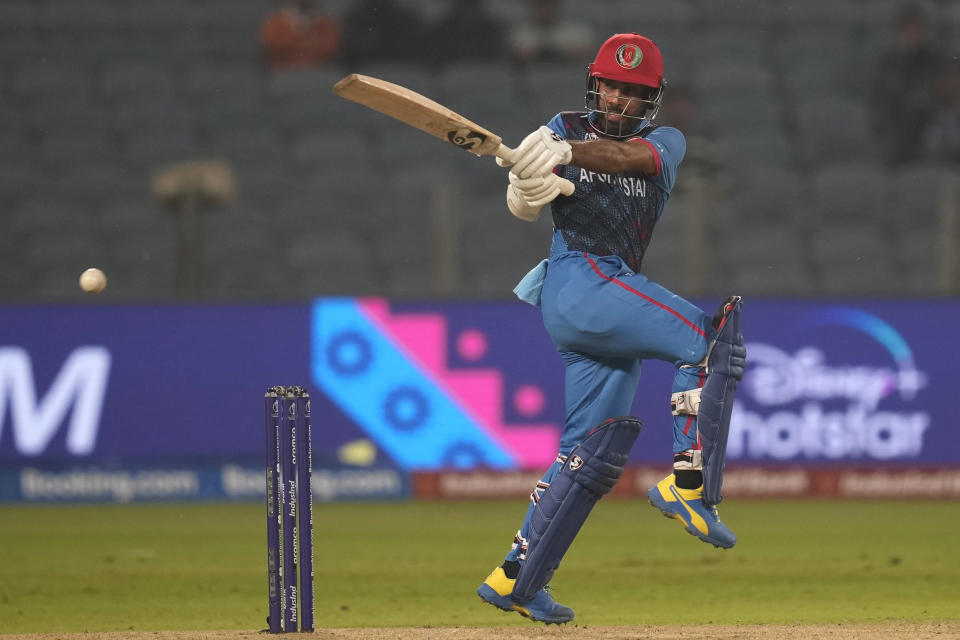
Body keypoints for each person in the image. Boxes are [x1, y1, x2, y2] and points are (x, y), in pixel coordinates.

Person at [476, 33, 747, 624]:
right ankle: (690, 484)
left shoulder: (664, 142)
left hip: (598, 297)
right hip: (579, 278)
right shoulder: (562, 124)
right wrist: (527, 183)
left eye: (635, 93)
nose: (620, 101)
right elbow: (524, 204)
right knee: (711, 342)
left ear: (651, 101)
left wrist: (564, 156)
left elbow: (629, 162)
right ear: (595, 84)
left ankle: (516, 578)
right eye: (613, 87)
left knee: (589, 457)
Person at [870, 2, 945, 165]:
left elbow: (939, 92)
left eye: (916, 29)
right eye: (907, 30)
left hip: (928, 121)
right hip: (897, 121)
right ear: (899, 32)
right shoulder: (888, 61)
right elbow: (882, 94)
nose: (913, 35)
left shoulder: (934, 60)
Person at [259, 0, 341, 72]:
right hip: (284, 71)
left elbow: (331, 48)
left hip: (317, 72)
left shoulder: (326, 24)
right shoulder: (277, 21)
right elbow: (271, 45)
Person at [340, 0, 424, 68]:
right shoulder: (358, 17)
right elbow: (352, 49)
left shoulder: (407, 18)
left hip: (403, 67)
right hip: (367, 67)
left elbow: (413, 48)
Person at [421, 0, 507, 67]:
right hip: (450, 75)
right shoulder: (443, 30)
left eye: (472, 9)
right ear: (458, 10)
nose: (469, 14)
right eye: (466, 10)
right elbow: (436, 60)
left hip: (483, 73)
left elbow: (496, 60)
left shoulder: (492, 30)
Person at [508, 0, 595, 64]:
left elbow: (585, 55)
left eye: (548, 7)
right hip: (532, 77)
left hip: (569, 76)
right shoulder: (520, 33)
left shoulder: (577, 32)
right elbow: (518, 56)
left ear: (557, 9)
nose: (544, 11)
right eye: (540, 7)